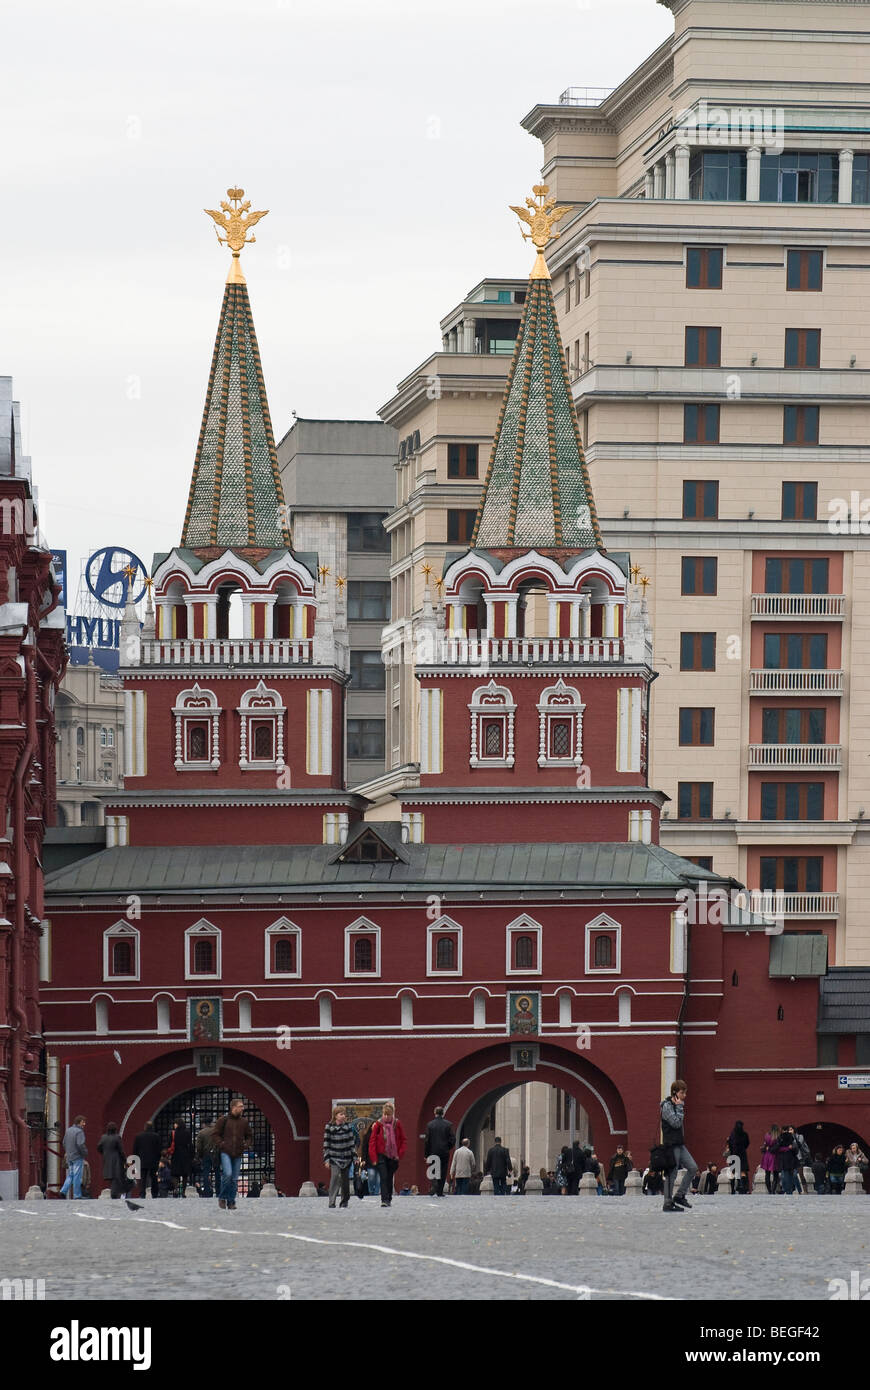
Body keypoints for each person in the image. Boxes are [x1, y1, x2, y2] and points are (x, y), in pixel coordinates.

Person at [660, 1079, 699, 1212]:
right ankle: (667, 1202)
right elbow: (675, 1123)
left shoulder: (677, 1105)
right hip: (671, 1145)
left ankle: (680, 1195)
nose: (684, 1096)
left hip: (679, 1144)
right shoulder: (666, 1106)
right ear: (675, 1092)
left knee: (693, 1167)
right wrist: (680, 1107)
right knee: (672, 1173)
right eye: (682, 1093)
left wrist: (679, 1107)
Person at [213, 1097, 253, 1211]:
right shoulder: (223, 1120)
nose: (243, 1108)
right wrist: (221, 1144)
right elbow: (215, 1134)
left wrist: (246, 1144)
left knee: (234, 1179)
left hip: (238, 1152)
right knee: (228, 1174)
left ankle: (231, 1201)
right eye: (240, 1106)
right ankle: (222, 1197)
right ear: (233, 1107)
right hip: (225, 1151)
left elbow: (249, 1136)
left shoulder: (244, 1122)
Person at [368, 1102, 407, 1208]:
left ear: (392, 1114)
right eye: (384, 1114)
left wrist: (400, 1153)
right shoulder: (378, 1124)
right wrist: (373, 1157)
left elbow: (403, 1140)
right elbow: (372, 1141)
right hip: (381, 1154)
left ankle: (388, 1197)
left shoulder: (397, 1124)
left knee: (389, 1177)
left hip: (394, 1156)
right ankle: (384, 1199)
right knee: (384, 1177)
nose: (386, 1116)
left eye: (388, 1114)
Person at [97, 1122, 138, 1206]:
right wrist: (125, 1160)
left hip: (107, 1159)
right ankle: (114, 1195)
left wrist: (105, 1153)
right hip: (116, 1160)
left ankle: (115, 1194)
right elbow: (121, 1150)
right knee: (116, 1178)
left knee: (112, 1179)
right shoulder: (117, 1137)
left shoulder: (103, 1137)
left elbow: (99, 1147)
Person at [323, 1105, 356, 1208]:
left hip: (346, 1158)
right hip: (334, 1157)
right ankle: (332, 1201)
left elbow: (352, 1143)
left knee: (345, 1182)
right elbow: (326, 1144)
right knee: (335, 1178)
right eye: (341, 1114)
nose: (343, 1116)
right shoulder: (329, 1127)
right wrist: (326, 1159)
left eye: (344, 1114)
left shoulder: (348, 1127)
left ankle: (344, 1201)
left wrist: (354, 1157)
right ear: (335, 1116)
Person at [424, 1106, 456, 1197]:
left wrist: (426, 1154)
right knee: (443, 1170)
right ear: (443, 1113)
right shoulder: (448, 1124)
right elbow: (453, 1139)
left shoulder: (430, 1125)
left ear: (435, 1113)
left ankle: (434, 1184)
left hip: (433, 1151)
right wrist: (448, 1147)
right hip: (444, 1151)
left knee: (433, 1169)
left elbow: (427, 1140)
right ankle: (440, 1191)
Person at [59, 1115, 87, 1200]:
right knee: (77, 1176)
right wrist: (85, 1152)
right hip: (77, 1156)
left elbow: (64, 1142)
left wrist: (68, 1151)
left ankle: (63, 1191)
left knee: (70, 1175)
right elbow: (80, 1144)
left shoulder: (68, 1131)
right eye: (83, 1122)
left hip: (69, 1157)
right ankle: (77, 1195)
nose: (84, 1124)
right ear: (79, 1122)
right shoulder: (79, 1132)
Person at [133, 1121, 162, 1199]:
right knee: (154, 1177)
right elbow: (159, 1150)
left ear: (145, 1127)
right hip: (153, 1160)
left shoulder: (139, 1136)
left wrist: (134, 1160)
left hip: (142, 1160)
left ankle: (142, 1193)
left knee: (143, 1178)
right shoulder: (156, 1136)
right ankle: (154, 1193)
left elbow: (135, 1150)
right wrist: (158, 1159)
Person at [194, 1118, 219, 1198]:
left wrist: (199, 1156)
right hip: (216, 1154)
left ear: (204, 1124)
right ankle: (218, 1191)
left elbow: (198, 1146)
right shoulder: (216, 1131)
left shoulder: (201, 1133)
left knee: (205, 1173)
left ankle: (207, 1192)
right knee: (217, 1173)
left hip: (206, 1154)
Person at [169, 1120, 193, 1198]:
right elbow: (190, 1145)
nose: (174, 1125)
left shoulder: (173, 1133)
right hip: (185, 1155)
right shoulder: (187, 1133)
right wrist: (192, 1156)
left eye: (175, 1124)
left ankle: (175, 1189)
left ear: (178, 1124)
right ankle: (183, 1192)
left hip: (176, 1154)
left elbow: (170, 1144)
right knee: (185, 1174)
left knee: (175, 1174)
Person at [358, 1117, 380, 1198]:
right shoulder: (367, 1136)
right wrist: (363, 1159)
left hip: (379, 1160)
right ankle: (371, 1191)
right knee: (371, 1175)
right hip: (369, 1160)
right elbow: (364, 1149)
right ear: (371, 1126)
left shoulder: (380, 1135)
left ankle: (376, 1193)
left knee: (378, 1179)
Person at [727, 1121, 750, 1194]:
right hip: (742, 1154)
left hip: (734, 1154)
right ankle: (743, 1188)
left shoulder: (732, 1134)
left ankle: (733, 1190)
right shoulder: (745, 1134)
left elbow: (730, 1144)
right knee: (743, 1172)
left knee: (733, 1173)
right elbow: (747, 1143)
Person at [777, 1126, 798, 1195]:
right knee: (791, 1174)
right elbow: (796, 1148)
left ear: (782, 1130)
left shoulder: (780, 1137)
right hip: (791, 1157)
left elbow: (778, 1147)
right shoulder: (791, 1137)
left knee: (785, 1174)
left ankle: (786, 1189)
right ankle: (791, 1190)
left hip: (783, 1157)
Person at [761, 1125, 780, 1194]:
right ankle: (772, 1190)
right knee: (775, 1174)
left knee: (767, 1174)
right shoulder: (777, 1137)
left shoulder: (766, 1135)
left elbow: (765, 1144)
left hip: (766, 1156)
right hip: (774, 1156)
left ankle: (769, 1190)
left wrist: (767, 1148)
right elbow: (777, 1147)